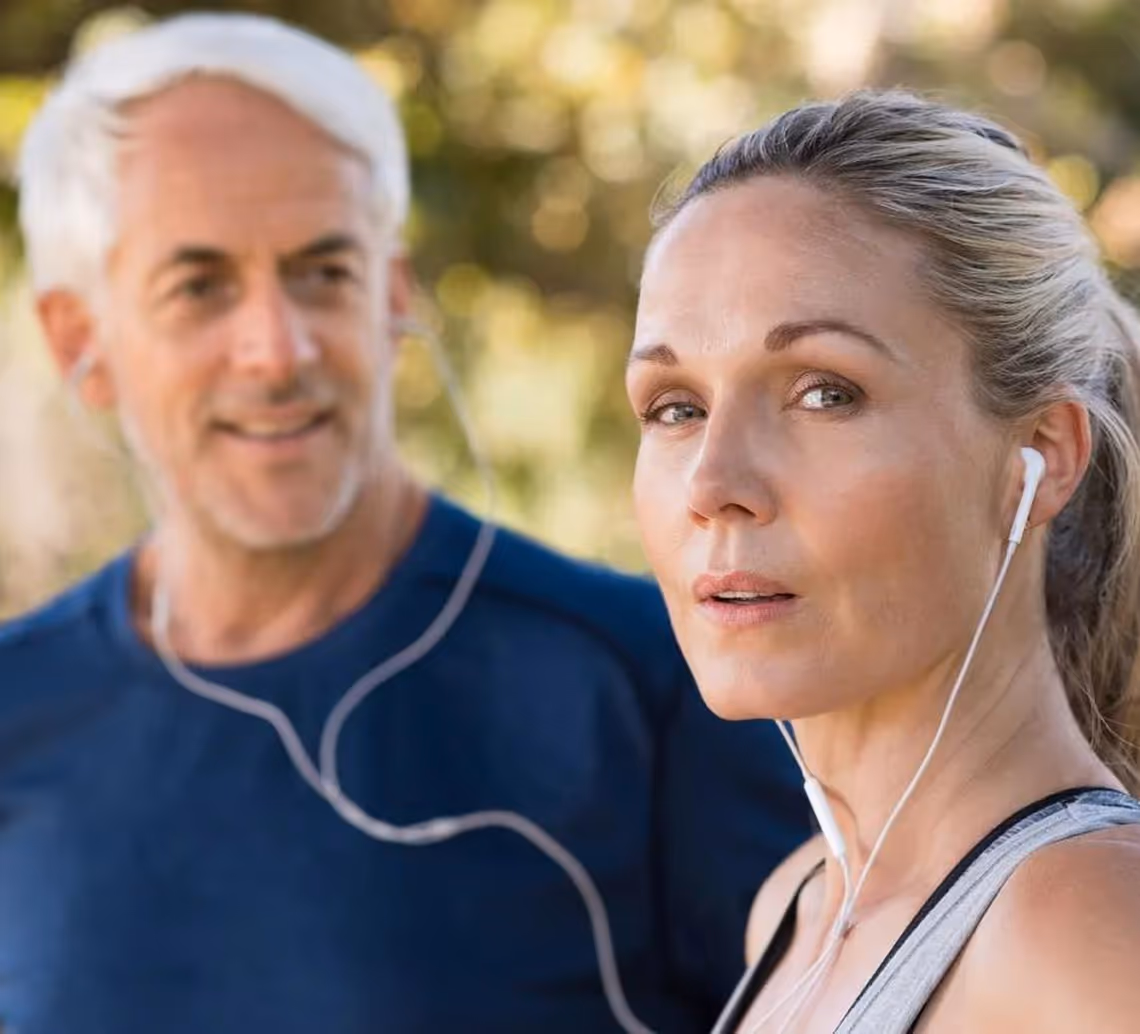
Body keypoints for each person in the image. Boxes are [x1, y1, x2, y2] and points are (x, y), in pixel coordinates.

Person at [0, 13, 810, 1034]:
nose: (278, 347)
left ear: (392, 292)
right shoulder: (18, 709)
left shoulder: (662, 683)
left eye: (322, 271)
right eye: (199, 286)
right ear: (83, 339)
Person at [627, 89, 1140, 1033]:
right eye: (674, 407)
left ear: (1044, 453)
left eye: (825, 392)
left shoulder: (1090, 934)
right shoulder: (796, 909)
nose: (714, 483)